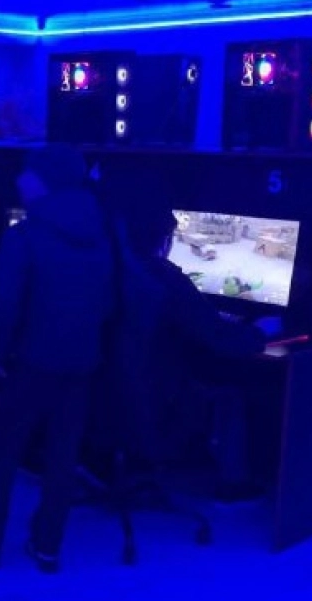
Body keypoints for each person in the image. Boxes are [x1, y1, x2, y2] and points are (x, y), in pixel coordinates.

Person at [0, 146, 114, 573]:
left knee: (2, 453)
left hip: (31, 363)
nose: (19, 179)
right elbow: (108, 303)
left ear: (45, 181)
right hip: (81, 364)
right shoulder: (101, 231)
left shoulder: (26, 235)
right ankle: (47, 545)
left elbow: (3, 303)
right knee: (62, 458)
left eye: (27, 172)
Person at [110, 203, 277, 502]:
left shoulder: (109, 270)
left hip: (110, 402)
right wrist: (261, 332)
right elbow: (221, 338)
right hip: (152, 406)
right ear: (165, 240)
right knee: (230, 395)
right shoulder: (164, 280)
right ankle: (233, 486)